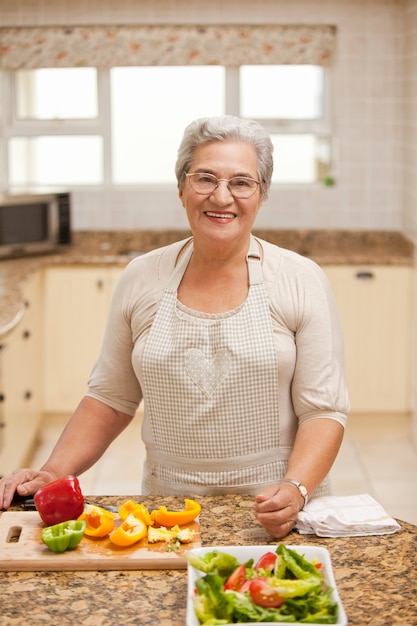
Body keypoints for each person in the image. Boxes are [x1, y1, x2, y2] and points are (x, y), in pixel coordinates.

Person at [0, 115, 349, 538]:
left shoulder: (300, 279)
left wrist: (295, 488)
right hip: (169, 513)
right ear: (182, 187)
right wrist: (53, 470)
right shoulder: (142, 277)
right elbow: (110, 398)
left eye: (241, 183)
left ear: (261, 195)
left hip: (276, 512)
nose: (222, 197)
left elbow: (323, 410)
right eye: (205, 178)